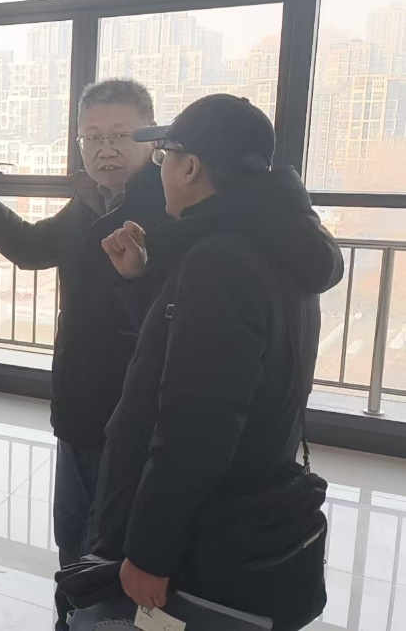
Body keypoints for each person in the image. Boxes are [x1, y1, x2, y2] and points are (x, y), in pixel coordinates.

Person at [92, 94, 340, 629]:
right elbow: (193, 351)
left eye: (164, 157)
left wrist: (149, 552)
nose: (160, 170)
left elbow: (197, 424)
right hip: (251, 493)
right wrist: (139, 282)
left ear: (190, 167)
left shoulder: (220, 258)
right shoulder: (278, 241)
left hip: (207, 523)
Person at [0, 78, 171, 629]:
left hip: (140, 416)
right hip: (78, 405)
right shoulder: (87, 204)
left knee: (120, 550)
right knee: (73, 539)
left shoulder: (172, 207)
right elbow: (32, 248)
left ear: (152, 138)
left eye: (120, 134)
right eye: (92, 137)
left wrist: (142, 276)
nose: (105, 149)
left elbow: (182, 317)